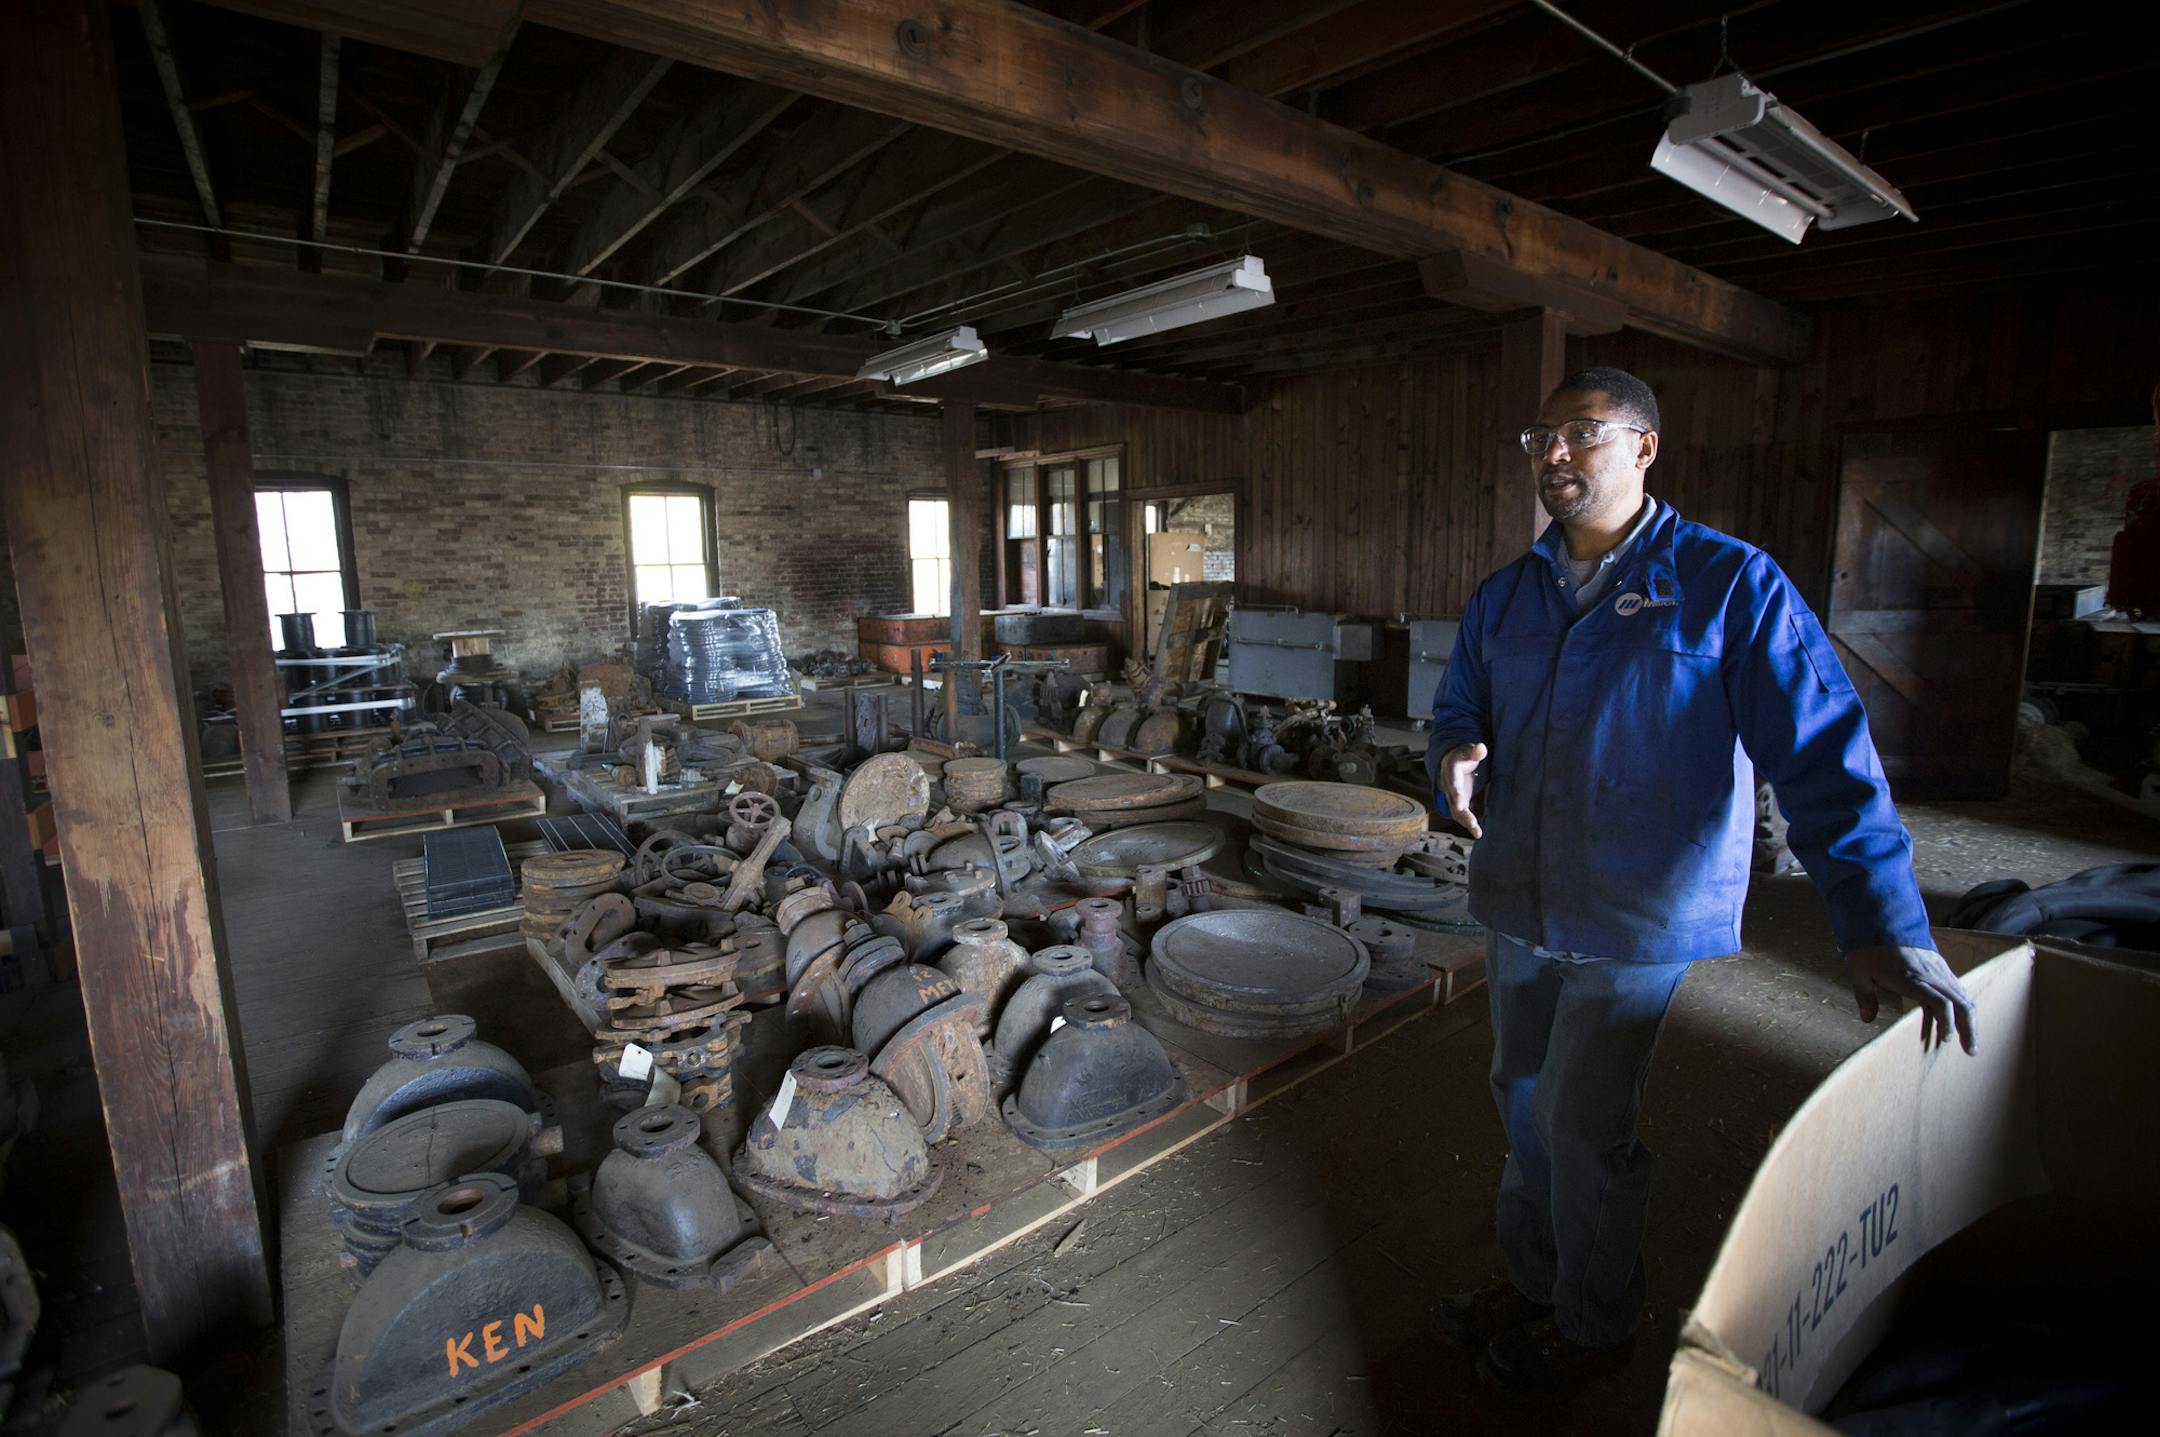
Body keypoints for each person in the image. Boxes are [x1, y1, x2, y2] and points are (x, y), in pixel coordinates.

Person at [1424, 367, 1980, 1393]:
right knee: (1522, 1099)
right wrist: (1454, 748)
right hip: (1519, 897)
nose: (1553, 453)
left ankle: (1594, 1324)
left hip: (1639, 910)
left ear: (1643, 448)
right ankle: (1538, 1280)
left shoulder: (1730, 584)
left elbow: (1824, 754)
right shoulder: (1503, 598)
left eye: (1580, 434)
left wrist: (1881, 921)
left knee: (1585, 1124)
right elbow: (1456, 705)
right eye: (1539, 436)